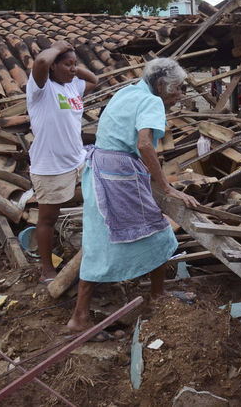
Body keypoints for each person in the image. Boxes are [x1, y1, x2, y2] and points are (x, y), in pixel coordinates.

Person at [66, 58, 198, 335]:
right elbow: (144, 143)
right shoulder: (152, 102)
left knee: (98, 244)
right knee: (161, 234)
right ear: (161, 86)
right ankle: (157, 296)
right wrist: (165, 186)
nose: (179, 96)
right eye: (178, 89)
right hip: (118, 175)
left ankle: (81, 316)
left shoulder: (128, 91)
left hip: (101, 169)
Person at [27, 40, 98, 283]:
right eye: (67, 65)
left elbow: (95, 80)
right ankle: (47, 271)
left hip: (78, 160)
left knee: (94, 206)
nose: (72, 69)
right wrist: (57, 47)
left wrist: (73, 68)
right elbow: (41, 62)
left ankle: (88, 255)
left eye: (75, 65)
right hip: (50, 166)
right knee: (48, 218)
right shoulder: (40, 89)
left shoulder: (72, 87)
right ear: (53, 66)